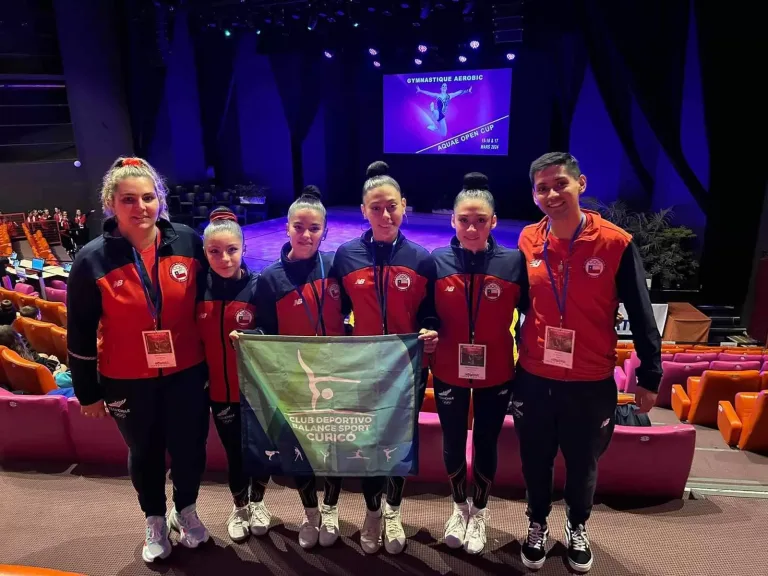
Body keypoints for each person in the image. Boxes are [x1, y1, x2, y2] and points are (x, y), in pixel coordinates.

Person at [515, 152, 661, 573]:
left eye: (560, 183)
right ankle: (537, 523)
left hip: (590, 380)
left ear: (580, 182)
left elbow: (640, 312)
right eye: (542, 187)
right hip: (535, 377)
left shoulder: (615, 243)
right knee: (535, 460)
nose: (551, 194)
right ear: (534, 194)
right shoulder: (528, 239)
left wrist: (650, 374)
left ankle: (578, 526)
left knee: (583, 464)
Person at [66, 156, 211, 564]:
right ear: (112, 202)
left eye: (149, 197)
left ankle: (186, 509)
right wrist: (88, 392)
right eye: (129, 199)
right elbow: (78, 332)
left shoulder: (187, 241)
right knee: (145, 452)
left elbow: (208, 304)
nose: (141, 207)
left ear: (160, 199)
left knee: (189, 448)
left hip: (186, 372)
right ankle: (154, 519)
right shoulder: (92, 259)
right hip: (126, 378)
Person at [332, 161, 439, 555]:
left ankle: (393, 509)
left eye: (391, 206)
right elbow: (336, 311)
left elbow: (430, 313)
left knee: (398, 443)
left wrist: (430, 330)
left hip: (406, 370)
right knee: (368, 444)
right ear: (363, 210)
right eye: (376, 208)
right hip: (362, 370)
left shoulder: (421, 258)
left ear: (404, 205)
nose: (385, 214)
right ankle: (372, 511)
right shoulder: (346, 256)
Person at [430, 173, 528, 555]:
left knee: (486, 442)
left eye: (480, 220)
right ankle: (459, 509)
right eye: (464, 220)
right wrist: (429, 328)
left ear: (494, 221)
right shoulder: (436, 262)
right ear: (453, 220)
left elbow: (531, 318)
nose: (472, 228)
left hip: (497, 371)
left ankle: (480, 512)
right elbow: (426, 313)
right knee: (453, 442)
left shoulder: (513, 262)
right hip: (449, 371)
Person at [254, 186, 347, 550]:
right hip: (295, 383)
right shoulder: (271, 279)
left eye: (314, 228)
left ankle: (331, 510)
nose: (306, 235)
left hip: (337, 378)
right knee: (301, 452)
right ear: (287, 228)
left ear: (325, 230)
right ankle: (310, 514)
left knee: (335, 451)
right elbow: (264, 329)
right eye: (299, 227)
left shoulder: (336, 268)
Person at [196, 206, 271, 543]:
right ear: (204, 252)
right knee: (236, 454)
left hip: (257, 393)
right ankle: (240, 506)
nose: (224, 258)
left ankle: (259, 502)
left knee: (261, 450)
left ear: (243, 249)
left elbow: (274, 336)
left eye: (231, 250)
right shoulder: (197, 292)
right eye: (214, 251)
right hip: (221, 393)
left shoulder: (259, 289)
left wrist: (254, 337)